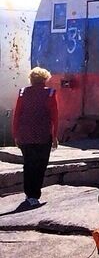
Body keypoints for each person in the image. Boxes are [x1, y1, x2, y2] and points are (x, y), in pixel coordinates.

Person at [12, 67, 59, 211]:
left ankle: (29, 195)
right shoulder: (50, 93)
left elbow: (17, 115)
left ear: (31, 79)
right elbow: (54, 117)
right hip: (43, 136)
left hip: (25, 136)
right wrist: (55, 136)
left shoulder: (22, 92)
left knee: (28, 165)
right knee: (40, 166)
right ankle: (34, 195)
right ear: (45, 79)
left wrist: (15, 134)